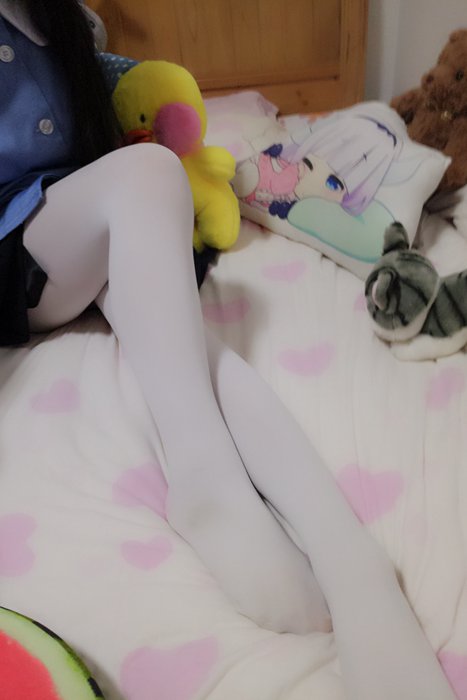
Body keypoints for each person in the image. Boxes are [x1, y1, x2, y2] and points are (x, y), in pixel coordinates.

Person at [0, 2, 456, 699]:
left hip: (85, 227)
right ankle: (205, 481)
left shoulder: (57, 19)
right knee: (146, 174)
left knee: (195, 357)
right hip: (18, 254)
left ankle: (353, 561)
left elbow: (123, 92)